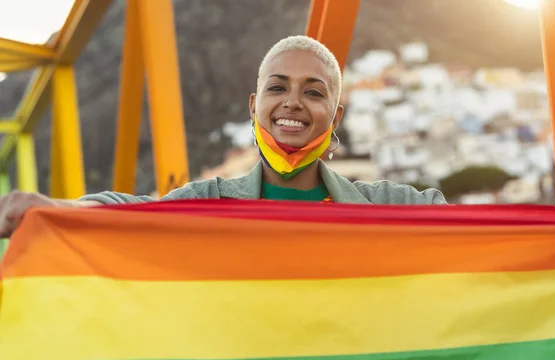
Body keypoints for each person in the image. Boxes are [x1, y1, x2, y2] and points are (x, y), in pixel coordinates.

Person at [0, 35, 446, 238]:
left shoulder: (387, 203)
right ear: (254, 107)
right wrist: (60, 210)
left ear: (336, 115)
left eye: (313, 92)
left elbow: (465, 232)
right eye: (277, 87)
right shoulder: (208, 200)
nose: (292, 102)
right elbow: (132, 210)